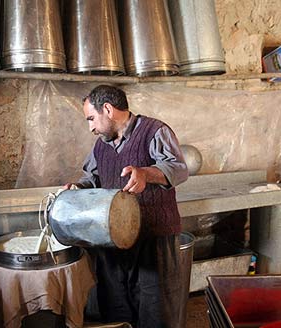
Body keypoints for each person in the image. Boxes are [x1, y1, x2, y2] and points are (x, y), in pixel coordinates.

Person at [63, 85, 188, 327]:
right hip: (113, 238)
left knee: (155, 309)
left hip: (153, 238)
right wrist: (77, 189)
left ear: (107, 109)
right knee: (116, 305)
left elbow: (179, 169)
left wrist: (146, 173)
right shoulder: (101, 145)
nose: (91, 127)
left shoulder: (154, 131)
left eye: (91, 118)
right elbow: (92, 178)